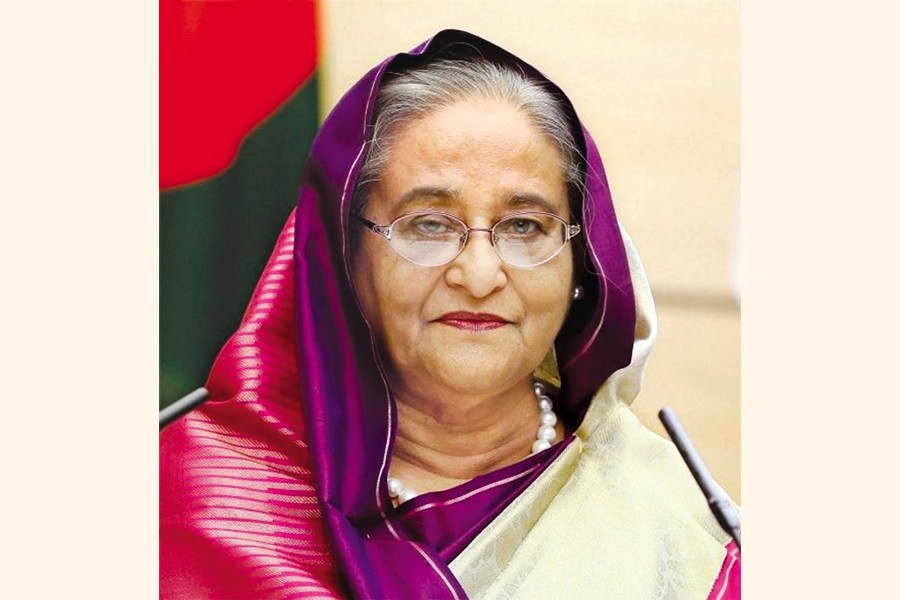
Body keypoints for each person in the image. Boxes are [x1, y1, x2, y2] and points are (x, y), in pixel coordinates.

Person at [160, 29, 740, 599]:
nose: (480, 275)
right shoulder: (200, 509)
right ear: (345, 257)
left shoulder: (676, 539)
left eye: (525, 226)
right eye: (430, 225)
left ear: (580, 267)